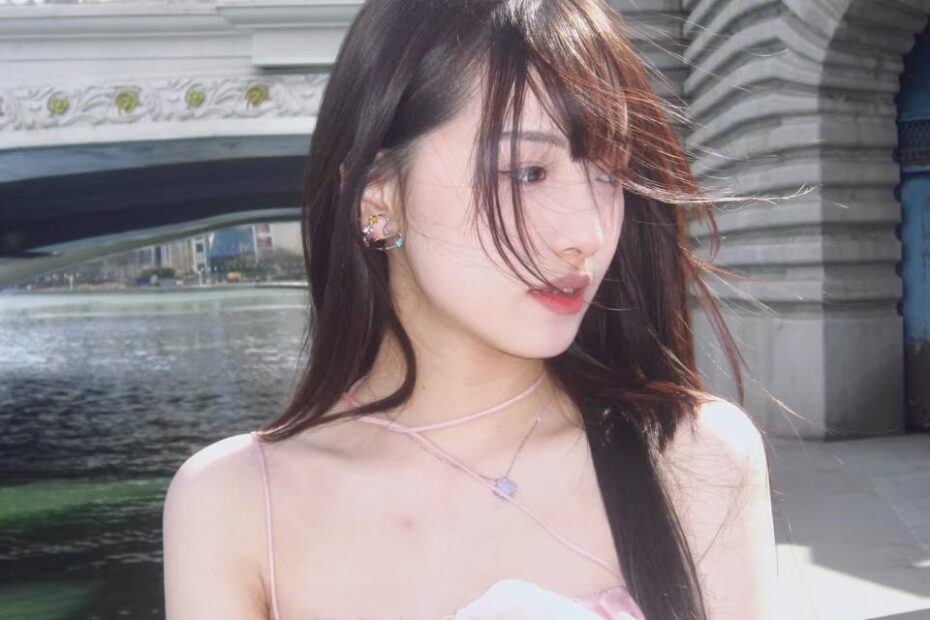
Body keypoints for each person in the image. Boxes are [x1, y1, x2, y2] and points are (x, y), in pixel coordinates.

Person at [162, 0, 778, 618]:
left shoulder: (692, 458)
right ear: (378, 198)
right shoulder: (237, 503)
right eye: (528, 173)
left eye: (610, 175)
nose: (587, 233)